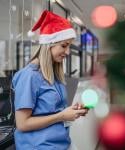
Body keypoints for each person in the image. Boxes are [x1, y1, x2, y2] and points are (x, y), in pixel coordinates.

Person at [12, 10, 88, 150]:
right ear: (49, 44)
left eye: (69, 46)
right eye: (64, 46)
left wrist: (71, 111)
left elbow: (53, 110)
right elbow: (22, 124)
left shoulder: (53, 73)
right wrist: (61, 116)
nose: (68, 52)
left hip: (62, 144)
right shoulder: (29, 76)